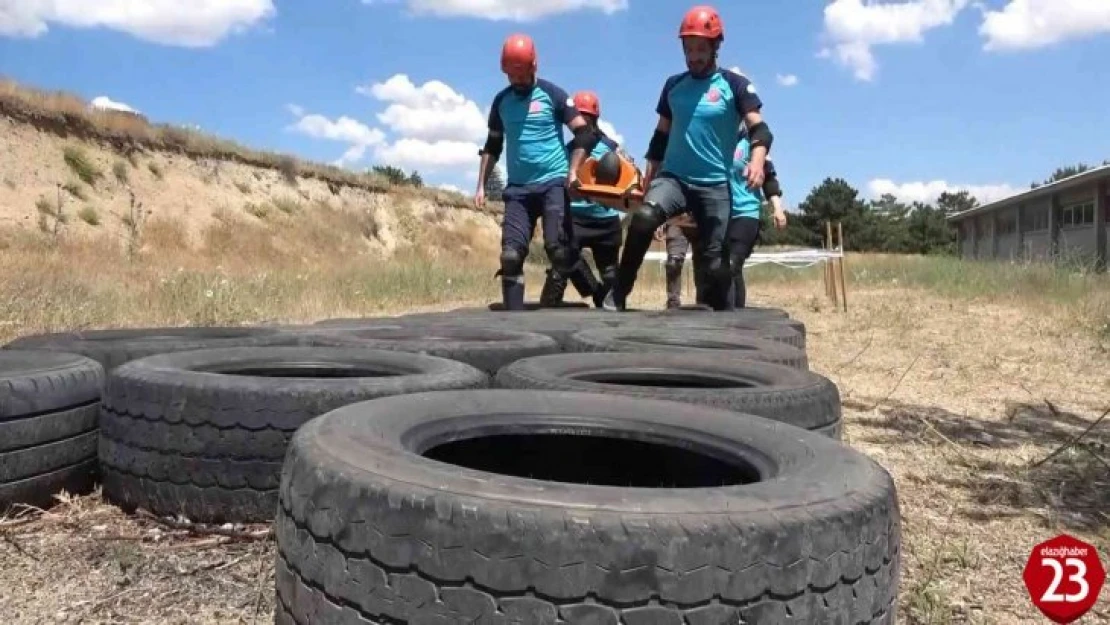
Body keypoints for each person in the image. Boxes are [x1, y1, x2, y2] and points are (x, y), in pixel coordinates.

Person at [603, 5, 773, 312]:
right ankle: (619, 292)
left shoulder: (733, 85)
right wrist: (649, 173)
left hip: (714, 186)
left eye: (700, 49)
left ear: (715, 47)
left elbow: (760, 129)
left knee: (718, 270)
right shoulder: (673, 86)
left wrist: (758, 161)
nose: (693, 56)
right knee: (643, 219)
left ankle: (726, 326)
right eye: (688, 49)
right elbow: (660, 137)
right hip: (675, 177)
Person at [475, 33, 601, 311]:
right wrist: (481, 185)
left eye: (522, 74)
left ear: (534, 66)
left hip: (553, 183)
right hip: (518, 189)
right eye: (511, 75)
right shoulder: (501, 102)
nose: (517, 81)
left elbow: (585, 133)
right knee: (510, 256)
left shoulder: (553, 94)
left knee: (558, 249)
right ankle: (514, 321)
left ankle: (594, 290)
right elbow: (493, 144)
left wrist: (573, 172)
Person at [657, 126, 788, 308]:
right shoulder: (714, 142)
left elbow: (769, 179)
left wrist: (777, 208)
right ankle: (719, 313)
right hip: (720, 213)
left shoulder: (753, 142)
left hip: (746, 213)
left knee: (732, 265)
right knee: (716, 267)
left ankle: (733, 319)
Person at [538, 90, 625, 308]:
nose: (582, 121)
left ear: (594, 118)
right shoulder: (566, 151)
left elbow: (626, 178)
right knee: (561, 265)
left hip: (606, 219)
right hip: (574, 218)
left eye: (586, 116)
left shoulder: (613, 148)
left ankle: (608, 306)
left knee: (611, 275)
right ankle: (583, 296)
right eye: (578, 116)